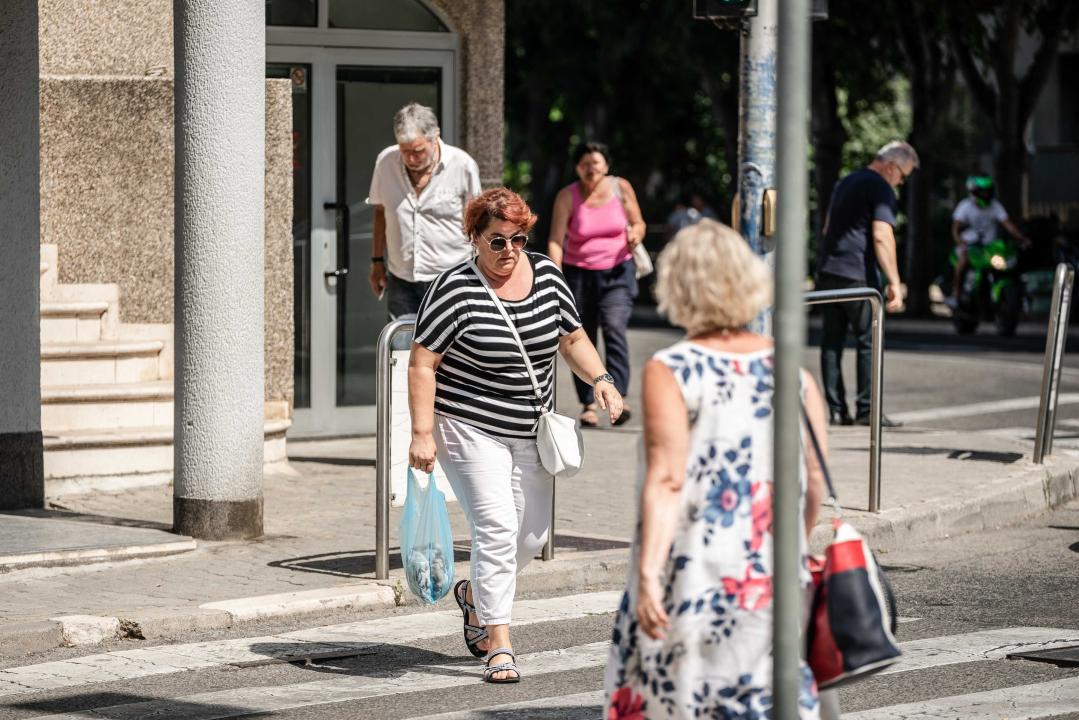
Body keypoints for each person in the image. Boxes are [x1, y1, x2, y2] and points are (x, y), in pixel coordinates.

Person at [604, 219, 829, 719]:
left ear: (678, 287)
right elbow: (814, 481)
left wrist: (647, 573)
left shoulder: (672, 369)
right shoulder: (794, 373)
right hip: (770, 577)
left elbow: (667, 480)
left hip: (694, 578)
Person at [409, 188, 623, 683]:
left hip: (530, 428)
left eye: (519, 239)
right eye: (497, 241)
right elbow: (422, 363)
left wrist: (602, 380)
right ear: (475, 237)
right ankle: (499, 645)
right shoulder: (453, 288)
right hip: (468, 424)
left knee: (532, 536)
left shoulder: (546, 274)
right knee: (497, 527)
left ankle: (473, 595)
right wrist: (422, 432)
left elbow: (572, 337)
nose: (509, 251)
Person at [816, 141, 917, 427]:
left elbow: (827, 227)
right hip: (857, 275)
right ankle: (867, 411)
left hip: (828, 271)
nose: (901, 182)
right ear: (892, 166)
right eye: (903, 176)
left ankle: (837, 411)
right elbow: (882, 235)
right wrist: (895, 281)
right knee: (869, 341)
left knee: (832, 342)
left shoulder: (845, 181)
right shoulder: (881, 187)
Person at [548, 141, 646, 428]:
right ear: (577, 168)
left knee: (614, 328)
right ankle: (588, 403)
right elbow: (556, 240)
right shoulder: (566, 196)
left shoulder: (621, 187)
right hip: (578, 276)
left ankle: (619, 397)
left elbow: (638, 222)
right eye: (584, 164)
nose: (591, 168)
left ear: (606, 165)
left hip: (617, 272)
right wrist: (555, 277)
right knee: (580, 337)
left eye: (596, 163)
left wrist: (636, 235)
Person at [368, 103, 481, 348]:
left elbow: (478, 223)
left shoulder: (462, 165)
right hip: (401, 280)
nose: (410, 158)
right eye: (404, 150)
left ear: (435, 137)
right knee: (402, 355)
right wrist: (377, 261)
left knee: (451, 354)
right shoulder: (386, 162)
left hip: (451, 280)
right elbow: (381, 211)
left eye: (418, 150)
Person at [950, 174, 1031, 302]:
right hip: (969, 246)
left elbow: (1009, 225)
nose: (985, 194)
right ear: (974, 192)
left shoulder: (995, 206)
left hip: (989, 247)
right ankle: (957, 291)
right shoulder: (965, 206)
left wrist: (1022, 238)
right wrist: (959, 240)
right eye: (982, 191)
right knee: (963, 260)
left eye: (987, 191)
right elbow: (955, 228)